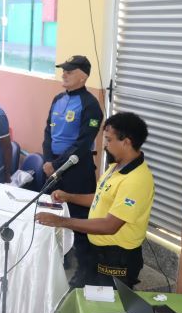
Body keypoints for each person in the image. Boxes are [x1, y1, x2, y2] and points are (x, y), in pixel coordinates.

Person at [36, 112, 154, 288]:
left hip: (117, 259)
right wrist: (69, 197)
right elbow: (99, 199)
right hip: (97, 252)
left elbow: (110, 225)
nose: (105, 145)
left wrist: (61, 221)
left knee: (106, 311)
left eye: (108, 140)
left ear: (126, 142)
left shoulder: (136, 180)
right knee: (82, 300)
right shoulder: (115, 167)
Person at [42, 55, 103, 288]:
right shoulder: (58, 99)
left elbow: (83, 143)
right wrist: (48, 160)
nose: (64, 74)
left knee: (78, 219)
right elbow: (48, 132)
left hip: (77, 170)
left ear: (83, 76)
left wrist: (56, 165)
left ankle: (85, 270)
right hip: (53, 167)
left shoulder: (90, 105)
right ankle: (60, 258)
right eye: (63, 70)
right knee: (52, 210)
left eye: (69, 70)